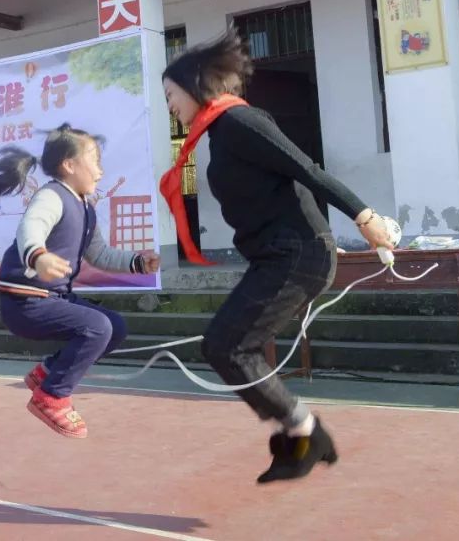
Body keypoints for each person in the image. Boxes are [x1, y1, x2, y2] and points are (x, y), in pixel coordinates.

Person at [161, 30, 394, 484]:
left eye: (170, 94)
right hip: (275, 256)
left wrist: (364, 216)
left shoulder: (242, 123)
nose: (170, 105)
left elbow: (306, 169)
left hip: (299, 254)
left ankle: (306, 434)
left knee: (228, 347)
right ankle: (301, 435)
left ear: (192, 86)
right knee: (224, 347)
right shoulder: (217, 134)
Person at [0, 124, 161, 438]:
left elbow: (101, 255)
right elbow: (31, 227)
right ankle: (52, 396)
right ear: (69, 165)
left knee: (115, 327)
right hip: (25, 302)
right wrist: (38, 256)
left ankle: (48, 373)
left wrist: (137, 262)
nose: (100, 170)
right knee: (98, 328)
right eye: (95, 160)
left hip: (54, 299)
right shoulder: (52, 196)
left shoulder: (87, 209)